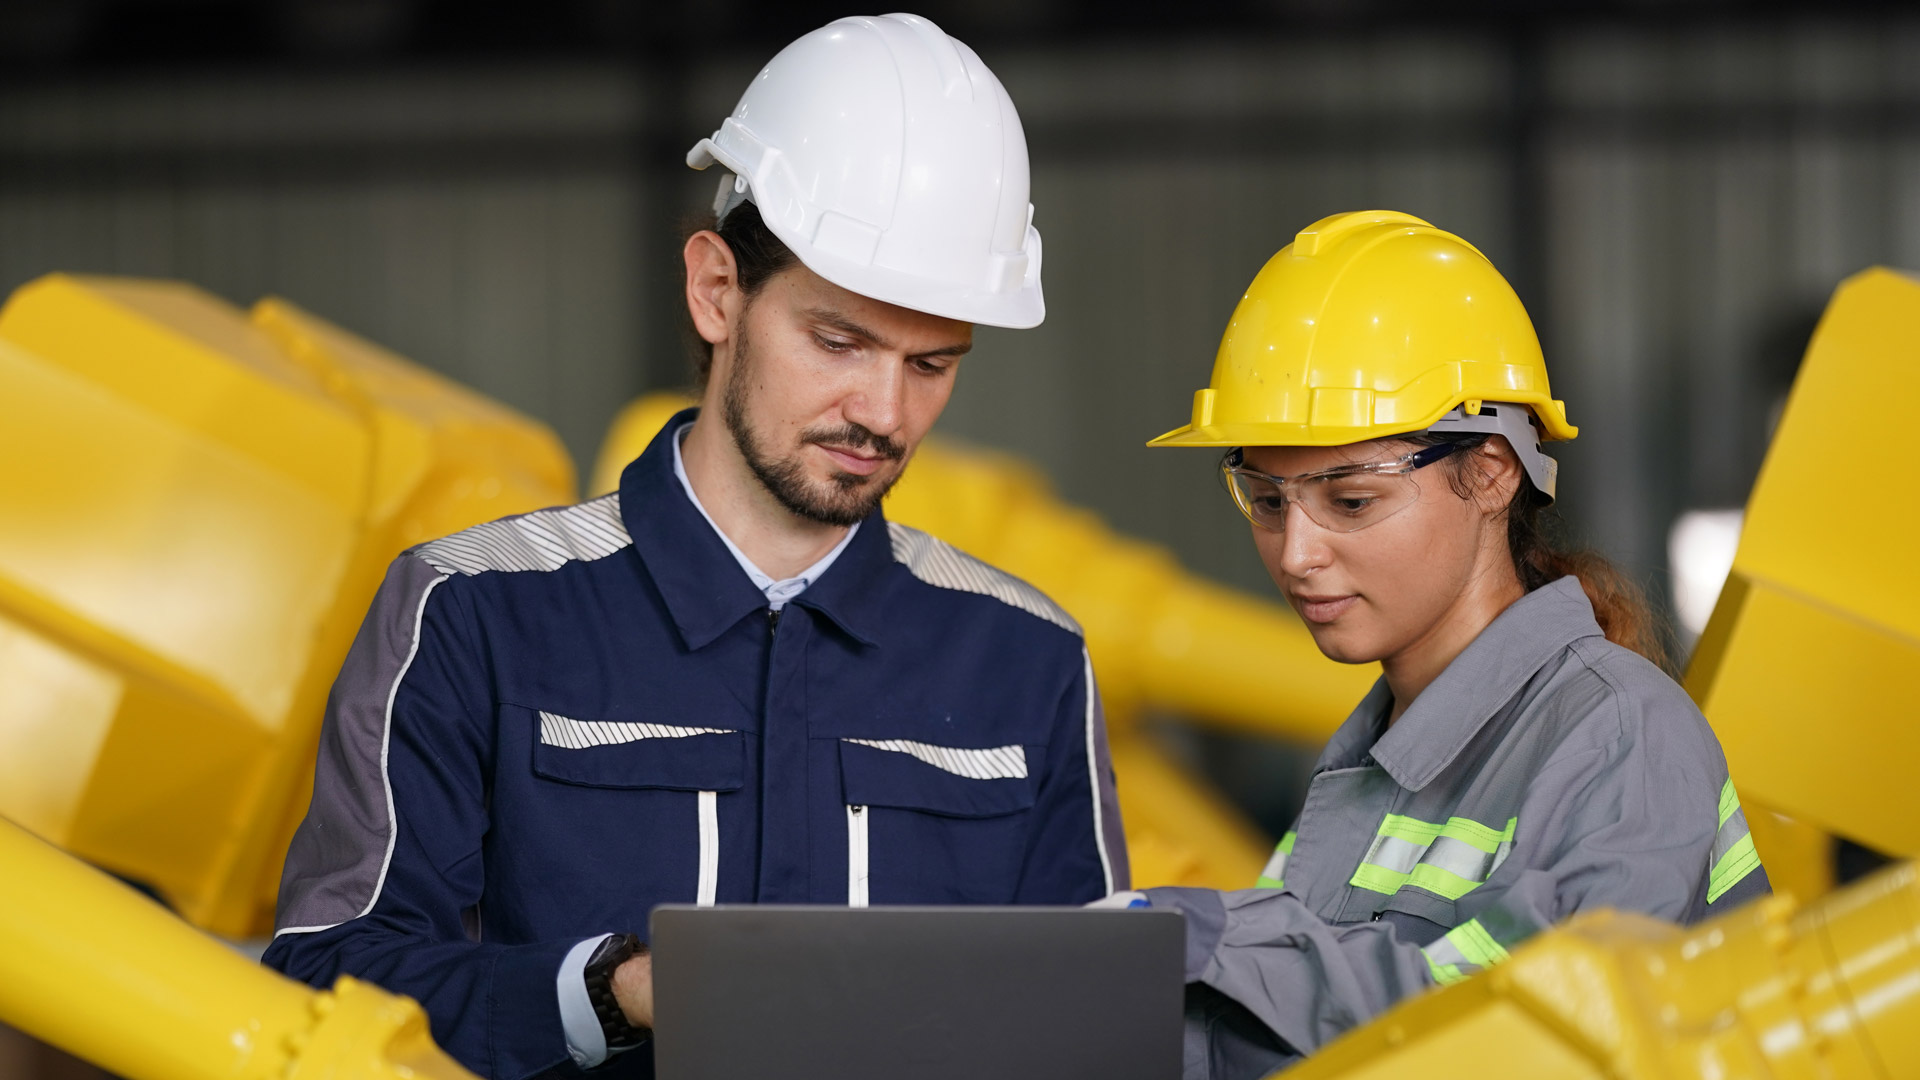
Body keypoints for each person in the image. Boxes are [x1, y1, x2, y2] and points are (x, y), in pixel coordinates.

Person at [262, 15, 1127, 1080]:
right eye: (838, 341)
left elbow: (1097, 1032)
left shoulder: (1025, 662)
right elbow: (329, 981)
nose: (884, 413)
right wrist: (607, 993)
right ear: (717, 289)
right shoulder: (474, 616)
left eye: (933, 364)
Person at [1117, 210, 1768, 1078]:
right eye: (1268, 502)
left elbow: (1528, 1037)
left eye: (1350, 501)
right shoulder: (1372, 774)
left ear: (1493, 472)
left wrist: (1209, 939)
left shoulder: (1620, 734)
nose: (1297, 554)